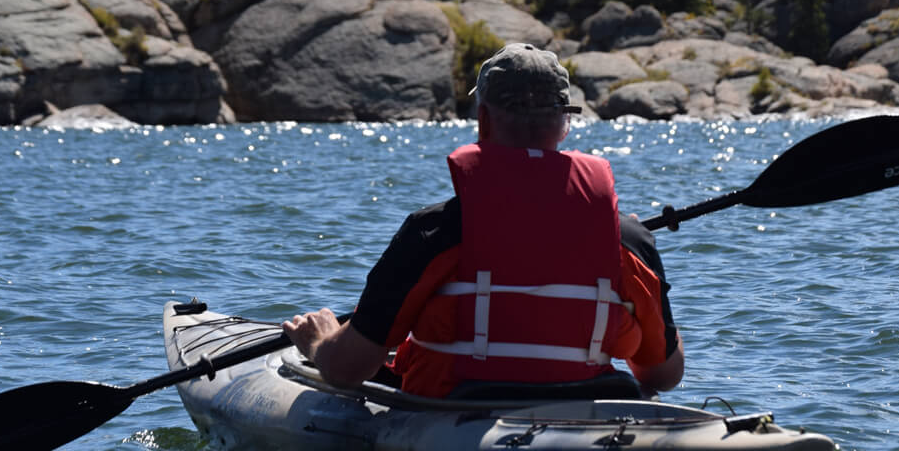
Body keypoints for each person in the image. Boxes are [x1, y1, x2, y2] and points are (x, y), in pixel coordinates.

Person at [282, 42, 683, 398]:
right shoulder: (629, 240)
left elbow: (347, 370)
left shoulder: (433, 232)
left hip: (458, 419)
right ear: (565, 124)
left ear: (484, 120)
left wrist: (319, 344)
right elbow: (664, 374)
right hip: (585, 413)